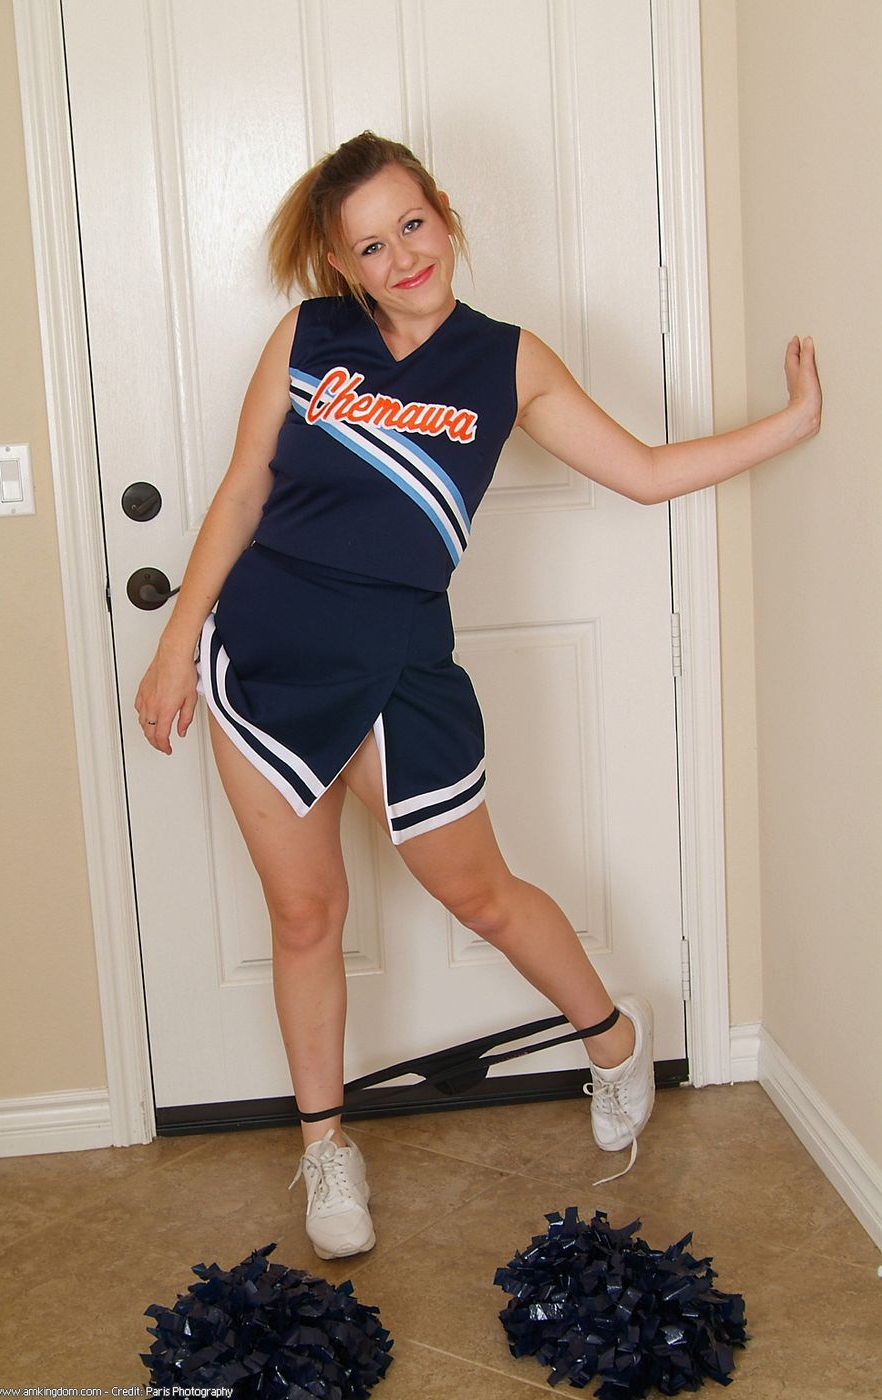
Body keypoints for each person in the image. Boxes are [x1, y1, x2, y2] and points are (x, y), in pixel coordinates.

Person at [135, 131, 821, 1261]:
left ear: (443, 215)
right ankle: (326, 1148)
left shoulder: (507, 361)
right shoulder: (307, 338)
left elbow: (644, 471)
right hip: (264, 657)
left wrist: (790, 423)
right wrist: (176, 645)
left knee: (479, 892)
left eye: (412, 224)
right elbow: (245, 485)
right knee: (304, 916)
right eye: (371, 244)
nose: (402, 255)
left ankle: (611, 1037)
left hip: (401, 662)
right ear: (342, 263)